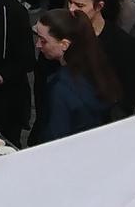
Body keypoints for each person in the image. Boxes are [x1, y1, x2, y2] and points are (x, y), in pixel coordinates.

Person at [30, 9, 118, 142]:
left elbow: (55, 138)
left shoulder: (61, 88)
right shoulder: (96, 67)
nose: (38, 45)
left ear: (64, 44)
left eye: (43, 41)